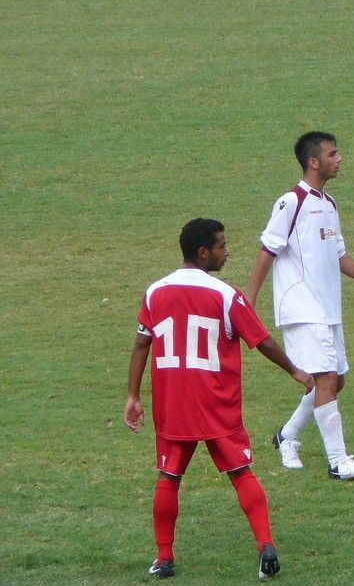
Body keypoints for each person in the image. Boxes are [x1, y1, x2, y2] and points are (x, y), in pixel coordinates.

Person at [124, 217, 315, 579]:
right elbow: (262, 341)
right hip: (216, 404)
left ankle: (164, 558)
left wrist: (133, 396)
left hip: (173, 406)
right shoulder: (226, 295)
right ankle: (265, 545)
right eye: (222, 246)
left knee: (168, 477)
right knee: (241, 473)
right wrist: (295, 371)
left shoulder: (155, 292)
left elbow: (140, 342)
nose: (227, 252)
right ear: (203, 252)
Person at [247, 131, 354, 481]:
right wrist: (248, 300)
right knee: (326, 378)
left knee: (334, 381)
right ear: (314, 162)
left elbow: (338, 254)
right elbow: (267, 251)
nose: (340, 158)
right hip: (301, 308)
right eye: (333, 153)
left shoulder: (329, 205)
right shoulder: (290, 203)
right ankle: (338, 461)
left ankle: (286, 436)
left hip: (328, 309)